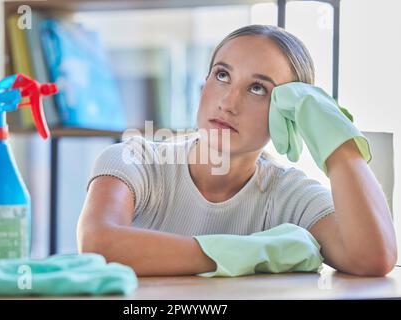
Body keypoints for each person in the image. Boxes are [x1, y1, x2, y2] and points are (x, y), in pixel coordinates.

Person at [77, 25, 397, 277]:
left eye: (258, 88)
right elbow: (98, 243)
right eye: (222, 75)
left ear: (285, 116)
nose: (228, 103)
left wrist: (338, 142)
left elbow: (372, 258)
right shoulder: (136, 159)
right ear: (204, 82)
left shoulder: (288, 194)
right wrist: (248, 252)